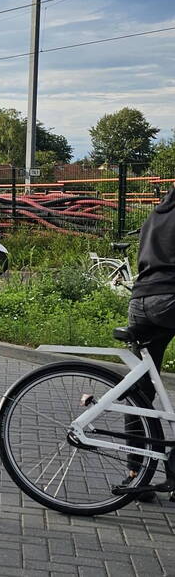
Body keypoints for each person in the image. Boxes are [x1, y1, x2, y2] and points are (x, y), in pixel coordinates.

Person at [124, 183, 175, 497]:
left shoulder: (156, 215)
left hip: (140, 302)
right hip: (170, 299)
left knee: (139, 391)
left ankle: (136, 473)